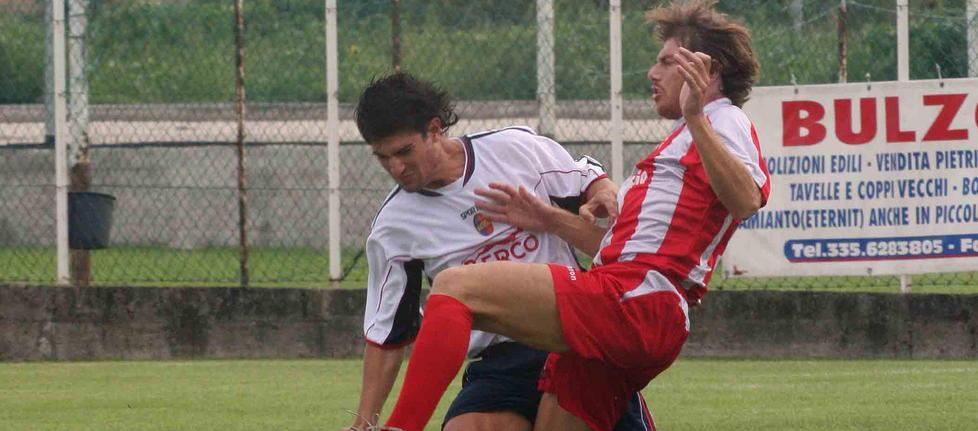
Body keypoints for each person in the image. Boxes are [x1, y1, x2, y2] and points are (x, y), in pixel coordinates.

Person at [376, 1, 771, 430]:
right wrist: (550, 219)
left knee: (454, 287)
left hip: (635, 301)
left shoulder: (721, 119)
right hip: (635, 300)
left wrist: (696, 116)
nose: (652, 74)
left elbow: (746, 199)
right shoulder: (685, 138)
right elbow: (624, 249)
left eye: (665, 62)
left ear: (705, 71)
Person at [344, 72, 656, 431]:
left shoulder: (512, 150)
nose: (396, 168)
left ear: (433, 130)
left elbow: (590, 182)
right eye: (383, 158)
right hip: (499, 364)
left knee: (454, 286)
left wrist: (601, 193)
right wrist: (363, 423)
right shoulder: (393, 226)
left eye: (404, 152)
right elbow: (387, 334)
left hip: (571, 345)